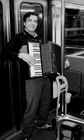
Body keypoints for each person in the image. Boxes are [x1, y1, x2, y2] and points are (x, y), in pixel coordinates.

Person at [3, 12, 52, 140]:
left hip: (45, 77)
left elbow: (48, 56)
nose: (33, 23)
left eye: (35, 21)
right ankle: (26, 134)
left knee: (46, 103)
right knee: (32, 107)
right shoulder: (19, 38)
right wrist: (20, 55)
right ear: (24, 23)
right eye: (30, 20)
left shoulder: (40, 38)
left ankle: (41, 123)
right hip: (31, 79)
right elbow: (5, 52)